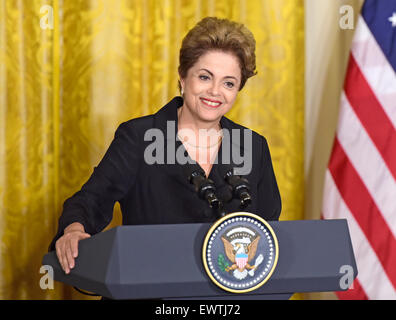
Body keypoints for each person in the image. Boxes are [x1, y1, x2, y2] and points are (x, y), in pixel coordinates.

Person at [50, 17, 281, 275]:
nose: (215, 91)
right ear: (183, 78)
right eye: (205, 77)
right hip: (147, 285)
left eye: (228, 83)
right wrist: (73, 230)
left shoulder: (252, 146)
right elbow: (90, 200)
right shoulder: (139, 137)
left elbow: (268, 228)